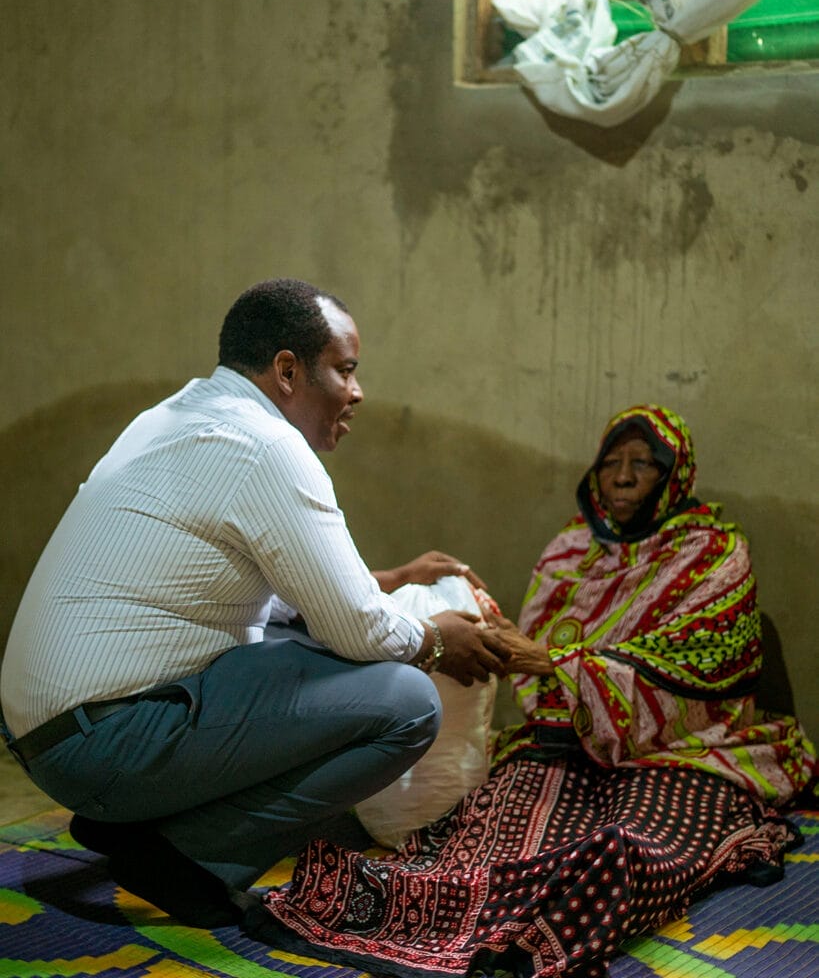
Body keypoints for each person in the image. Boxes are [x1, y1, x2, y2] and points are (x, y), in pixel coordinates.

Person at [0, 277, 509, 928]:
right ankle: (183, 855)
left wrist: (379, 581)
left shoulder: (176, 415)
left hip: (52, 735)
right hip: (102, 747)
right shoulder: (267, 448)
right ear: (288, 370)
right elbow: (359, 632)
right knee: (404, 705)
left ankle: (141, 821)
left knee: (303, 647)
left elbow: (242, 592)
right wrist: (437, 639)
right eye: (345, 370)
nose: (356, 392)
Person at [245, 404, 816, 978]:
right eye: (611, 462)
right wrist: (506, 645)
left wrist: (549, 661)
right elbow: (534, 663)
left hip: (685, 754)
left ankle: (541, 935)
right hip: (566, 743)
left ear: (675, 474)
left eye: (643, 463)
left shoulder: (713, 551)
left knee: (627, 844)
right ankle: (415, 913)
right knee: (490, 831)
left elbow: (706, 672)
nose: (621, 476)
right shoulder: (573, 550)